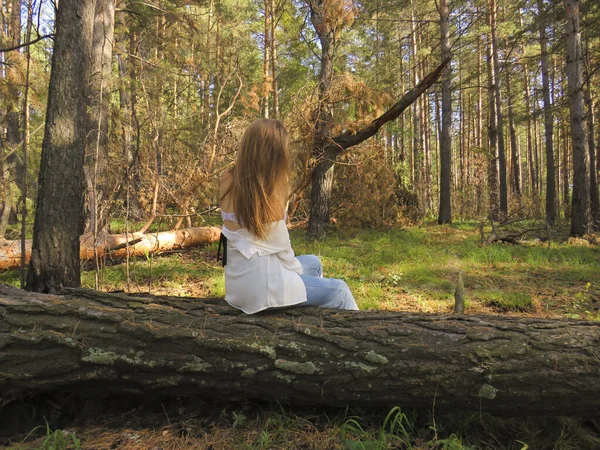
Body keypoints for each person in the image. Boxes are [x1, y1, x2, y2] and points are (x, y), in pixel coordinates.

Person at [219, 118, 358, 314]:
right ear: (273, 154)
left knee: (314, 263)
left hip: (237, 283)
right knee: (340, 291)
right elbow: (283, 250)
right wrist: (293, 275)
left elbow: (232, 240)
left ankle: (307, 321)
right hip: (261, 290)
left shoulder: (227, 179)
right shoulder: (267, 192)